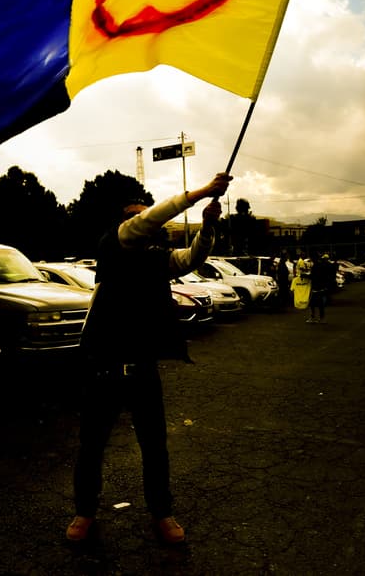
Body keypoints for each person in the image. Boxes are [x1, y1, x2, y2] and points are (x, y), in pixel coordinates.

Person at [67, 171, 232, 546]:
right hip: (102, 368)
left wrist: (207, 226)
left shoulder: (157, 259)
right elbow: (147, 221)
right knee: (91, 446)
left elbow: (193, 257)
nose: (142, 220)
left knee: (155, 447)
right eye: (135, 215)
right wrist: (201, 192)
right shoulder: (112, 245)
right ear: (124, 222)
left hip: (143, 370)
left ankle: (162, 513)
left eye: (143, 214)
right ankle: (85, 512)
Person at [308, 252, 336, 323]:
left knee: (312, 304)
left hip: (316, 287)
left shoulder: (316, 266)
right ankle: (321, 318)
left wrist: (304, 276)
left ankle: (313, 318)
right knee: (320, 304)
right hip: (322, 287)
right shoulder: (323, 265)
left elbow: (313, 276)